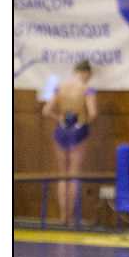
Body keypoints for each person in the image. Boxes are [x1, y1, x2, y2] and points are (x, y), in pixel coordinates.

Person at [42, 60, 98, 226]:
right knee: (74, 174)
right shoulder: (87, 89)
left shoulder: (60, 86)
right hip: (78, 131)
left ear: (75, 71)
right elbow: (93, 113)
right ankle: (70, 217)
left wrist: (59, 118)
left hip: (62, 129)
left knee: (62, 174)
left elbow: (46, 110)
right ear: (87, 73)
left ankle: (62, 216)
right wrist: (83, 122)